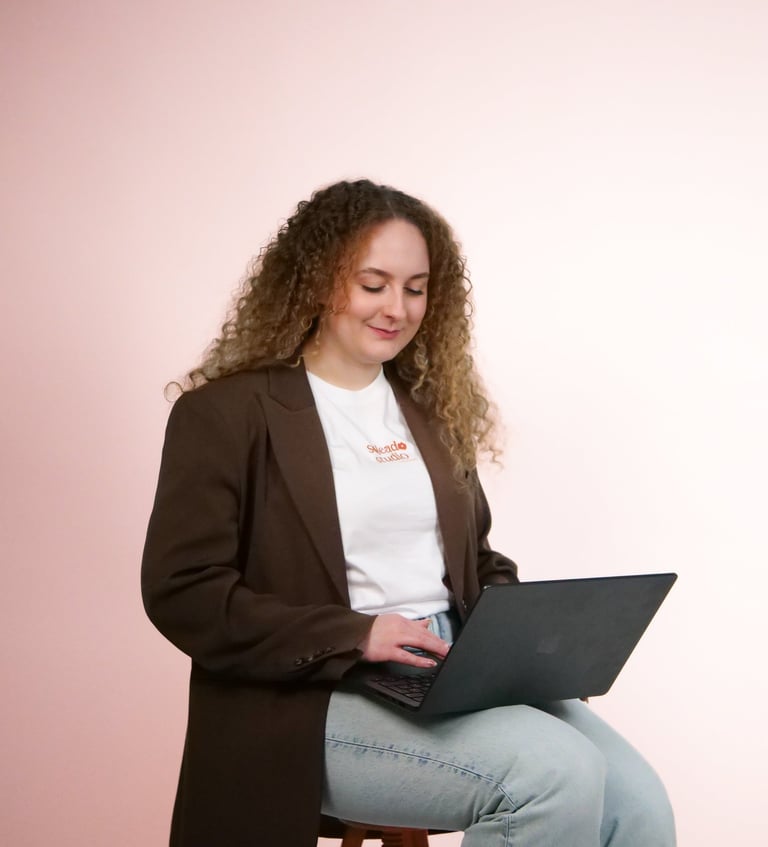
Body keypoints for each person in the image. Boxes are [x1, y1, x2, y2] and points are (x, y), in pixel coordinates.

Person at [141, 179, 676, 847]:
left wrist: (525, 636)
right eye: (374, 283)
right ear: (317, 281)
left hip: (450, 664)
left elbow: (475, 557)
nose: (397, 307)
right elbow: (184, 592)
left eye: (416, 287)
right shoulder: (226, 414)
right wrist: (355, 633)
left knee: (640, 805)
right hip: (316, 694)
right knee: (555, 773)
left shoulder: (430, 410)